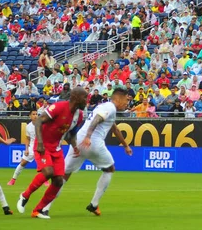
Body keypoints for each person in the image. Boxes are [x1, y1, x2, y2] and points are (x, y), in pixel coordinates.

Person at [43, 88, 133, 216]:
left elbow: (115, 129)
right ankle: (94, 204)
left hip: (78, 142)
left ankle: (45, 207)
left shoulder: (105, 108)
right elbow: (97, 119)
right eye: (126, 100)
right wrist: (88, 136)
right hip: (92, 142)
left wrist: (125, 145)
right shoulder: (110, 107)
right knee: (109, 169)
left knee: (64, 176)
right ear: (117, 99)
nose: (127, 103)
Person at [16, 87, 88, 219]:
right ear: (76, 98)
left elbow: (70, 134)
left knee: (59, 181)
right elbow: (38, 121)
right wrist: (40, 143)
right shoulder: (59, 107)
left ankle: (37, 210)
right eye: (85, 97)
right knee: (48, 172)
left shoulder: (79, 115)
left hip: (56, 148)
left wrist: (75, 146)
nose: (86, 101)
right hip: (43, 145)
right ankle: (25, 195)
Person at [8, 110, 39, 186]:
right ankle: (13, 179)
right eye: (33, 114)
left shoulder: (42, 125)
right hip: (32, 147)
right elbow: (28, 138)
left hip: (41, 147)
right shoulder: (28, 126)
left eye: (36, 114)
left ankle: (45, 180)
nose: (35, 116)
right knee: (23, 162)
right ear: (30, 116)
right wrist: (26, 149)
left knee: (44, 164)